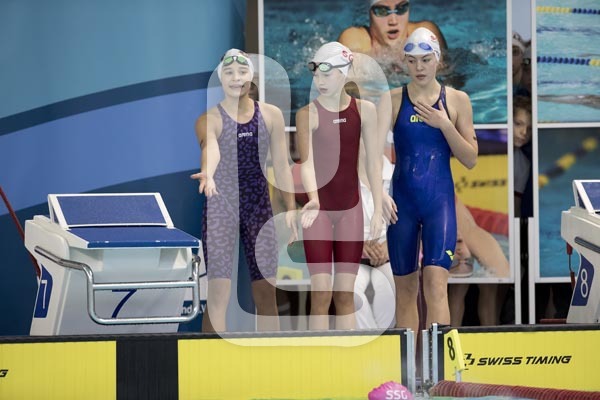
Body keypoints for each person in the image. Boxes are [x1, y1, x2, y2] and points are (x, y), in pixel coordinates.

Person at [191, 49, 300, 333]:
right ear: (221, 79)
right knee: (218, 294)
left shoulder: (271, 115)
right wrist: (208, 171)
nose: (236, 79)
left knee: (266, 293)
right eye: (229, 73)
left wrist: (291, 209)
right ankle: (211, 357)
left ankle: (271, 358)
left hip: (257, 207)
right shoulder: (209, 119)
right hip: (221, 208)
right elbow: (210, 147)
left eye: (241, 73)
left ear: (251, 78)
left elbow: (282, 166)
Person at [378, 28, 478, 339]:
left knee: (436, 285)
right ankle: (408, 364)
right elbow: (369, 152)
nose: (419, 67)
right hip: (402, 207)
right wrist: (379, 193)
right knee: (405, 290)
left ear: (438, 60)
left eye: (425, 59)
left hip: (439, 204)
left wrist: (445, 125)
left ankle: (439, 364)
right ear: (404, 63)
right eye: (412, 61)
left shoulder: (458, 100)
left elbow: (471, 159)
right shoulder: (392, 100)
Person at [296, 42, 384, 330]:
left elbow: (372, 164)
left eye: (327, 74)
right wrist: (313, 199)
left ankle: (347, 356)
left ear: (344, 73)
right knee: (321, 295)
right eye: (316, 75)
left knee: (346, 295)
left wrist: (377, 209)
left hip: (351, 211)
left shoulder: (365, 111)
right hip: (318, 212)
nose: (319, 81)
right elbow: (306, 164)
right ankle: (318, 357)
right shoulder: (307, 114)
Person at [338, 0, 447, 75]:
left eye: (401, 8)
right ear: (369, 12)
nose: (393, 21)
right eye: (382, 11)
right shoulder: (354, 41)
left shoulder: (426, 35)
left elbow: (447, 81)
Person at [448, 198, 510, 327]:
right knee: (465, 289)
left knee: (486, 286)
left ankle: (489, 332)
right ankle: (491, 333)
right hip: (465, 230)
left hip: (463, 230)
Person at [354, 151, 396, 330]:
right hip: (352, 255)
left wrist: (390, 246)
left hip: (390, 251)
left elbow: (410, 219)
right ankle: (370, 339)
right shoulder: (343, 175)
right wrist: (356, 246)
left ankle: (386, 338)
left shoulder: (397, 174)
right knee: (349, 290)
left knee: (392, 285)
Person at [513, 95, 532, 218]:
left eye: (529, 129)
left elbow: (515, 206)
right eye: (518, 124)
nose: (524, 132)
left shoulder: (524, 164)